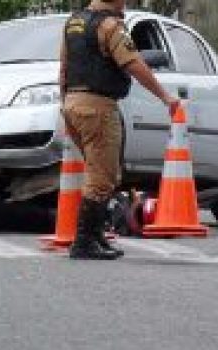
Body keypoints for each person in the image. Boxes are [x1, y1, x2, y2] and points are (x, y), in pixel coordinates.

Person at [59, 0, 180, 260]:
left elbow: (64, 67)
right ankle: (84, 241)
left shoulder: (73, 23)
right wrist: (164, 96)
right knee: (101, 176)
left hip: (73, 103)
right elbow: (133, 64)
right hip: (98, 106)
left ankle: (96, 237)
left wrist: (64, 105)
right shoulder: (110, 25)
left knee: (104, 172)